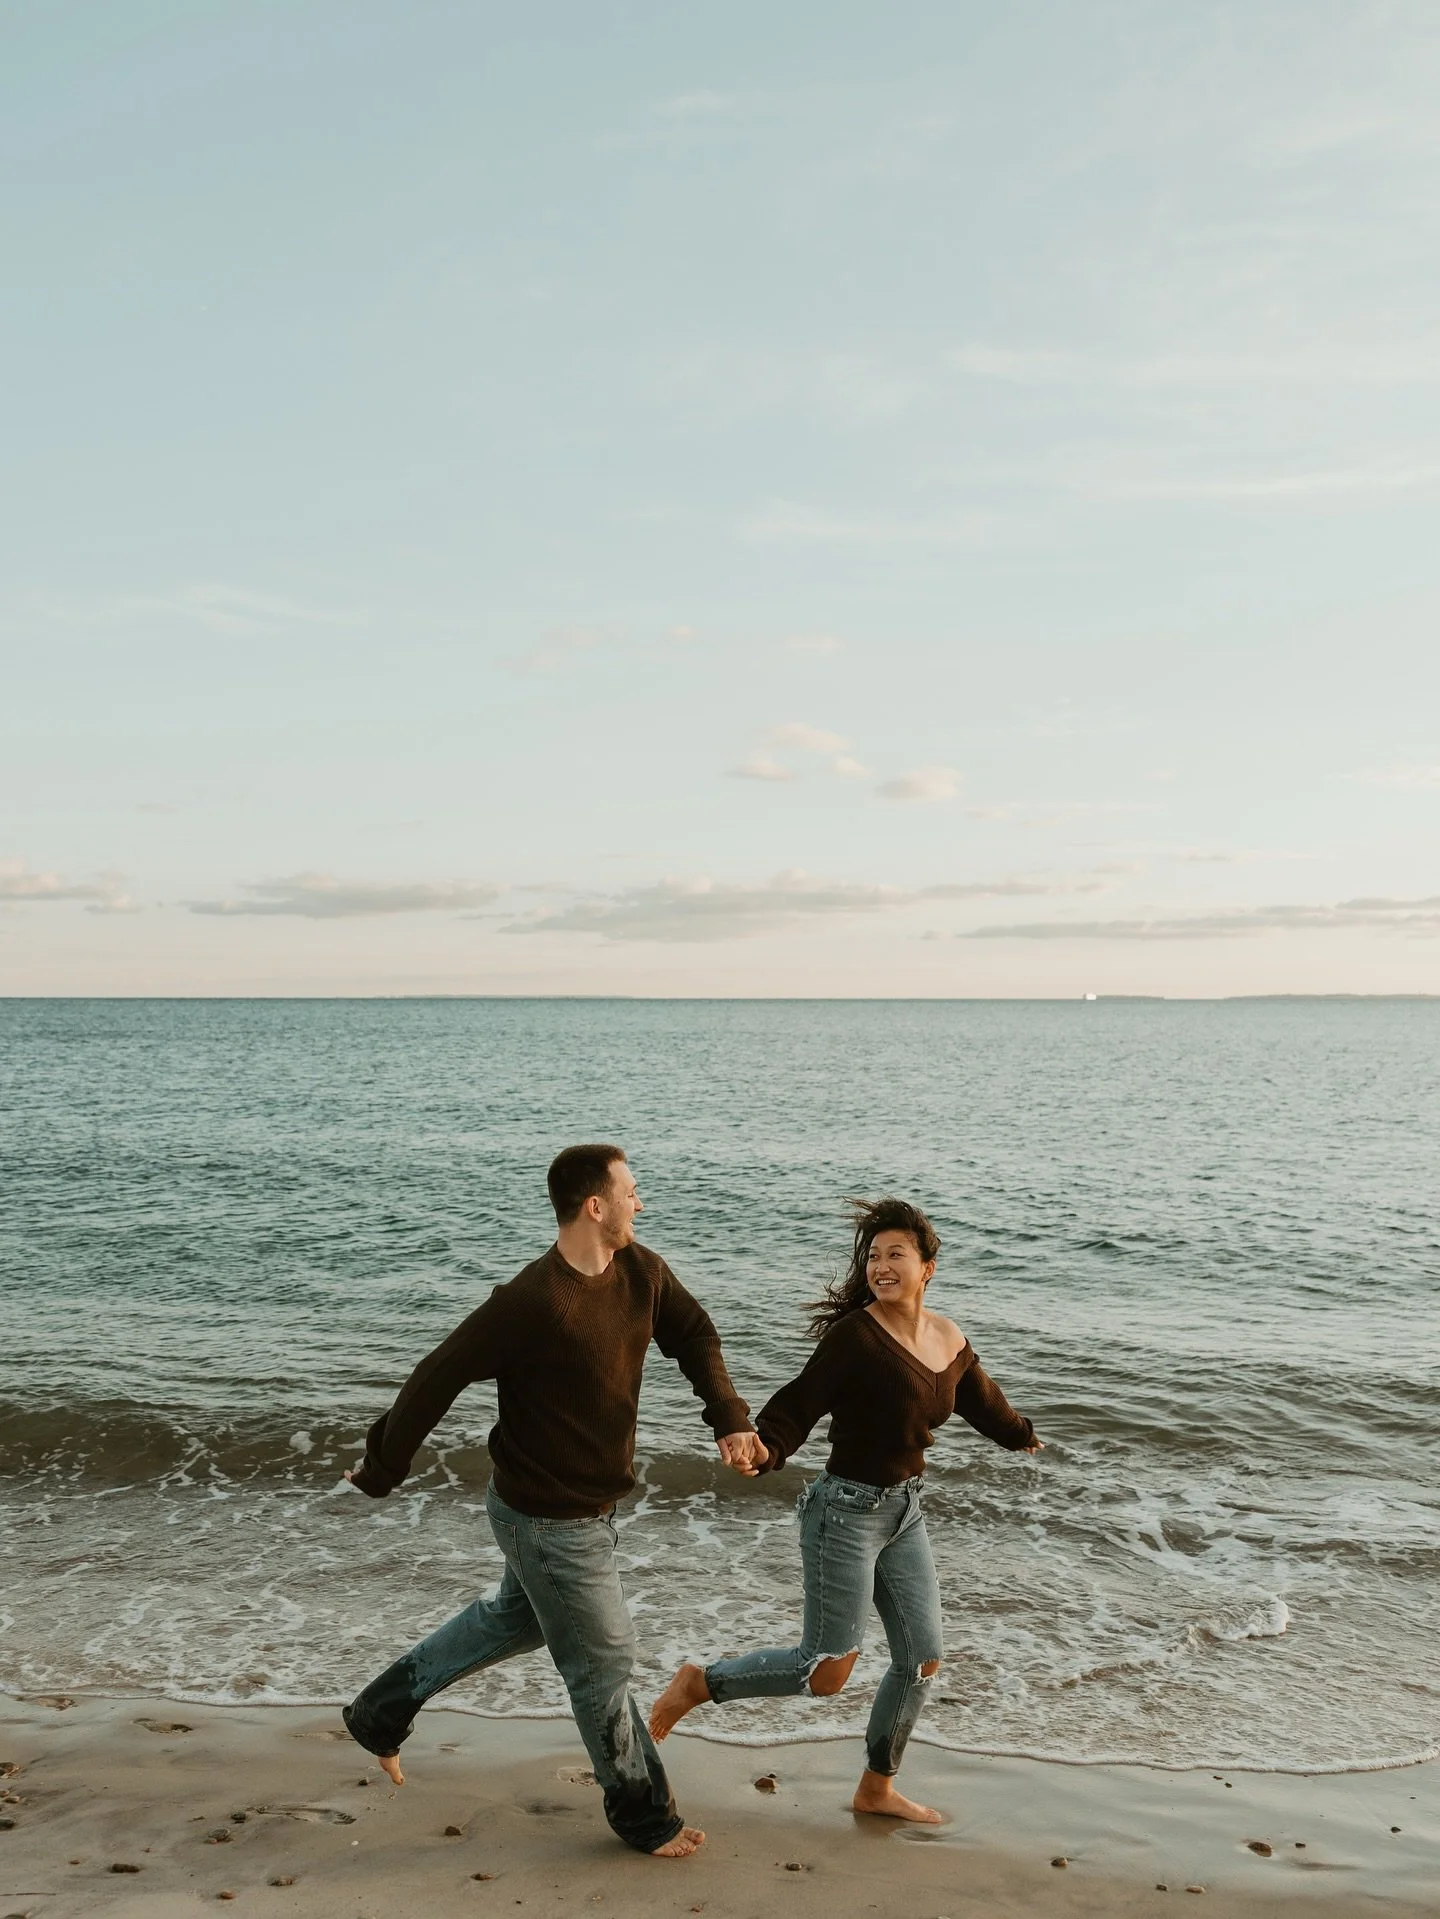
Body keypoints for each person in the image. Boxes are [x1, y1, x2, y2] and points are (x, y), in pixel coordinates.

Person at [342, 1144, 765, 1860]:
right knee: (603, 1661)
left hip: (580, 1509)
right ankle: (643, 1814)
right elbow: (436, 1375)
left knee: (515, 1618)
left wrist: (726, 1411)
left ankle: (380, 1711)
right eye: (631, 1191)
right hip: (546, 1517)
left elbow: (693, 1333)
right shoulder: (531, 1302)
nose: (641, 1202)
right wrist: (384, 1465)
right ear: (594, 1206)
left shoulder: (642, 1271)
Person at [649, 1196, 1041, 1824]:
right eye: (874, 1257)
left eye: (896, 1255)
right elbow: (802, 1402)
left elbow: (981, 1402)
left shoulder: (948, 1337)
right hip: (845, 1514)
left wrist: (1022, 1434)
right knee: (827, 1671)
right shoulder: (856, 1336)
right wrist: (767, 1447)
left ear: (927, 1266)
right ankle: (699, 1683)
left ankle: (876, 1787)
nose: (881, 1266)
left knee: (922, 1659)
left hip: (905, 1513)